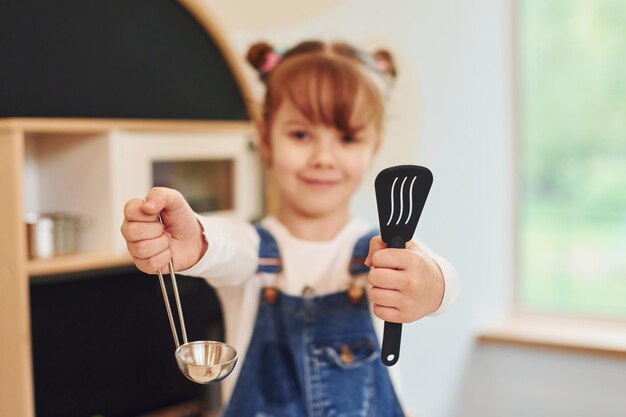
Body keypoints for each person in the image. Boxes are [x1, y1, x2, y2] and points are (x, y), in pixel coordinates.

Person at [121, 39, 459, 416]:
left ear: (374, 146)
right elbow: (224, 246)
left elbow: (442, 278)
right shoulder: (251, 247)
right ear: (266, 139)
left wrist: (431, 286)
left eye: (347, 138)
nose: (323, 158)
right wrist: (195, 242)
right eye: (301, 135)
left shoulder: (382, 250)